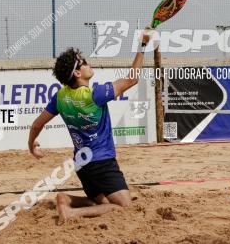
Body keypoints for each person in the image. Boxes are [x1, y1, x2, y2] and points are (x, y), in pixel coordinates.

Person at [28, 30, 151, 222]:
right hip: (102, 162)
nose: (88, 63)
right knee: (125, 207)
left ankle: (66, 198)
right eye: (83, 62)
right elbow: (132, 79)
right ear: (77, 73)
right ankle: (72, 212)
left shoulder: (60, 97)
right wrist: (143, 46)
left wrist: (31, 146)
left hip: (81, 164)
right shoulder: (95, 94)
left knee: (101, 205)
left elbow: (36, 125)